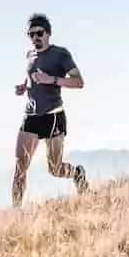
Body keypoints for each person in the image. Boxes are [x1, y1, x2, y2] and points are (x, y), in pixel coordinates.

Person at [12, 13, 88, 207]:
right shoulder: (29, 55)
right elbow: (31, 77)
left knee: (55, 169)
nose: (35, 38)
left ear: (48, 33)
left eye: (39, 33)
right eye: (31, 34)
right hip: (31, 117)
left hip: (53, 116)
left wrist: (51, 80)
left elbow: (79, 82)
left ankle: (77, 173)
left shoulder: (61, 54)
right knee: (20, 168)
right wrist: (24, 86)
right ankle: (16, 214)